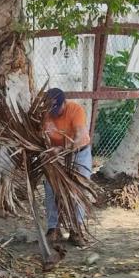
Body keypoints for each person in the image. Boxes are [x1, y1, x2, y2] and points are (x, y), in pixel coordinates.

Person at [43, 87, 92, 247]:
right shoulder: (44, 113)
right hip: (55, 156)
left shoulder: (75, 110)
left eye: (57, 108)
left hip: (79, 153)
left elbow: (80, 136)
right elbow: (40, 135)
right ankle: (53, 229)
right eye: (51, 110)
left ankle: (76, 229)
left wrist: (63, 149)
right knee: (51, 191)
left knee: (78, 191)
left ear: (64, 102)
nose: (55, 113)